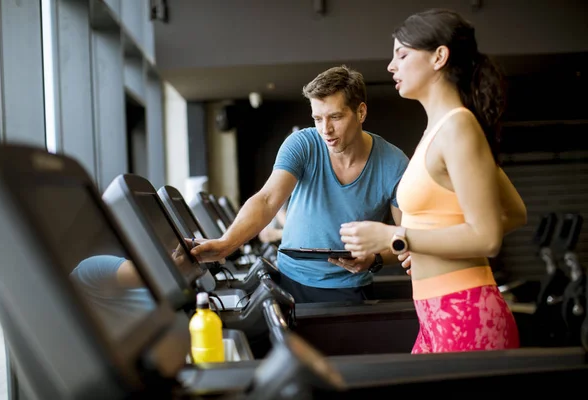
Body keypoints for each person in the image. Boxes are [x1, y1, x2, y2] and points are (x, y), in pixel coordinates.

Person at [339, 9, 527, 354]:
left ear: (439, 56)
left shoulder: (459, 127)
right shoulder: (440, 130)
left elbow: (487, 237)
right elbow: (515, 213)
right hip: (436, 314)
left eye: (402, 54)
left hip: (464, 312)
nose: (391, 66)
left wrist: (395, 236)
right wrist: (419, 246)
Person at [191, 65, 409, 303]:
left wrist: (374, 259)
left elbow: (406, 238)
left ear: (360, 112)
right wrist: (225, 244)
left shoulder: (394, 163)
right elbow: (267, 200)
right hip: (289, 279)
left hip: (350, 288)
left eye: (335, 117)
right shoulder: (302, 144)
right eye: (318, 118)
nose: (326, 129)